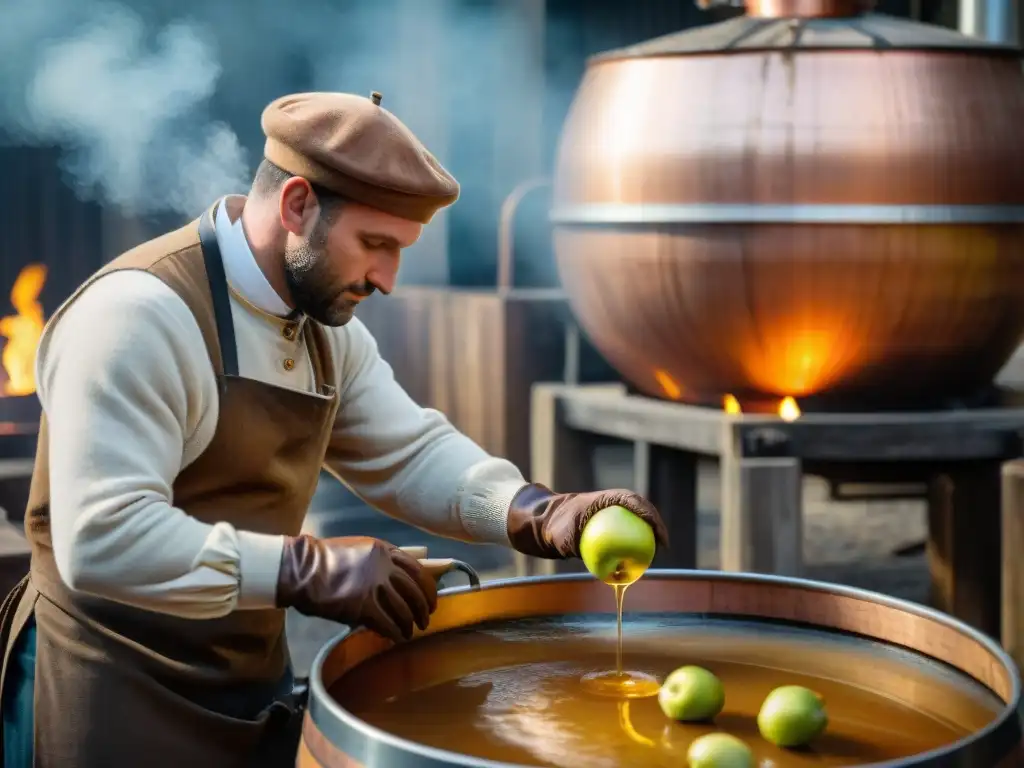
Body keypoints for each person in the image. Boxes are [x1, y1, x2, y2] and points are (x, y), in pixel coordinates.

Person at [0, 91, 669, 768]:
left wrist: (537, 511)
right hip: (106, 700)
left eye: (400, 250)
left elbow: (409, 452)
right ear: (297, 206)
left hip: (244, 693)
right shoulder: (138, 316)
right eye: (374, 245)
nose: (386, 278)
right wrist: (306, 567)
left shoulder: (323, 327)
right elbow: (101, 539)